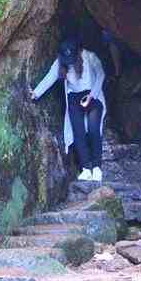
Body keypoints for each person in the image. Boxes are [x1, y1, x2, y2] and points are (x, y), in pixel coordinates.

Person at [29, 36, 107, 181]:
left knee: (93, 129)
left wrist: (92, 96)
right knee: (78, 132)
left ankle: (97, 168)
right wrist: (36, 93)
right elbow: (50, 77)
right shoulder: (60, 61)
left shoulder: (89, 56)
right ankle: (86, 168)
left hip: (93, 95)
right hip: (74, 98)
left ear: (78, 52)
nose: (69, 63)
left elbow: (100, 75)